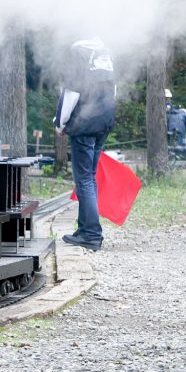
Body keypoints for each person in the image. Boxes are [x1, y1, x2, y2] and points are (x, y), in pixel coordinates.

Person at [54, 38, 116, 252]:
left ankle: (91, 233)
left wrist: (60, 124)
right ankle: (83, 229)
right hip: (103, 122)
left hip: (85, 124)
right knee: (89, 176)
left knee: (85, 179)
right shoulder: (104, 58)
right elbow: (113, 93)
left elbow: (69, 96)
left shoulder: (78, 56)